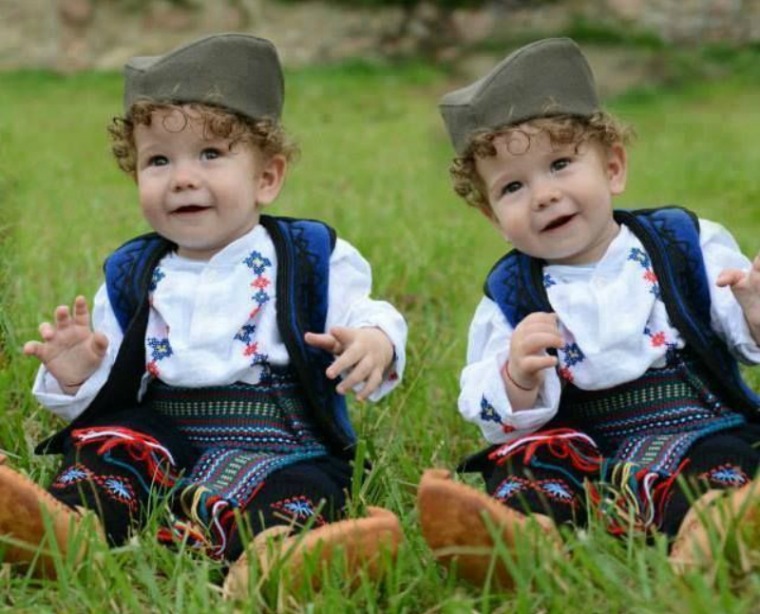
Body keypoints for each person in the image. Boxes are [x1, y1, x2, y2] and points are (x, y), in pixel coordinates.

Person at [0, 33, 406, 597]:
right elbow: (111, 385)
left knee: (304, 489)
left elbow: (369, 310)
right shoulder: (133, 271)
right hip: (166, 434)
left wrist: (374, 339)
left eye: (210, 155)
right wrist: (76, 372)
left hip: (280, 440)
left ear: (267, 177)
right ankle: (75, 526)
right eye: (158, 160)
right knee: (113, 447)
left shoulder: (309, 254)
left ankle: (273, 561)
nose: (182, 177)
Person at [417, 37, 760, 588]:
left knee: (720, 460)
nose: (543, 195)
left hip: (690, 425)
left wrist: (752, 307)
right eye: (512, 186)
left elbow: (745, 337)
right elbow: (488, 408)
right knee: (526, 468)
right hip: (584, 447)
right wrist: (516, 374)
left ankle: (713, 529)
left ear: (613, 167)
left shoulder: (681, 242)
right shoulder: (510, 293)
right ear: (491, 214)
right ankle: (524, 544)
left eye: (559, 164)